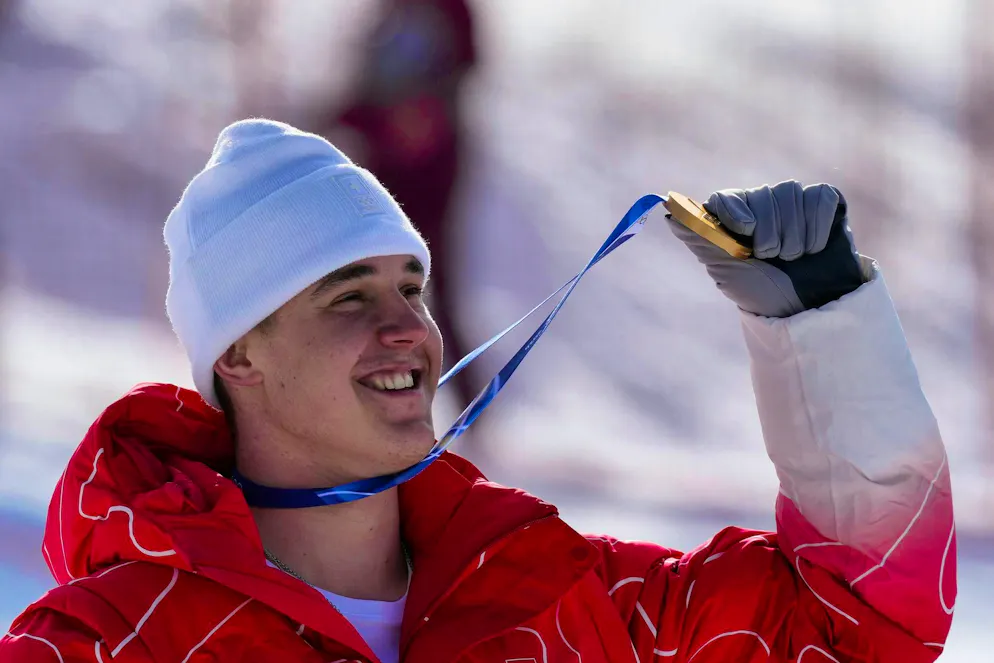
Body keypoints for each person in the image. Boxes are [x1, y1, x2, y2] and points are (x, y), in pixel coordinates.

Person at [0, 120, 954, 663]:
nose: (407, 329)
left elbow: (858, 632)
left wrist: (822, 332)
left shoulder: (566, 599)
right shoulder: (103, 644)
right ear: (239, 355)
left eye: (410, 289)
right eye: (348, 297)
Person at [313, 0, 479, 414]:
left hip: (432, 176)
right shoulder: (385, 18)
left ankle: (472, 408)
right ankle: (358, 401)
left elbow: (465, 68)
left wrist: (426, 118)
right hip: (382, 179)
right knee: (361, 289)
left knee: (432, 289)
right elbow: (365, 96)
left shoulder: (449, 12)